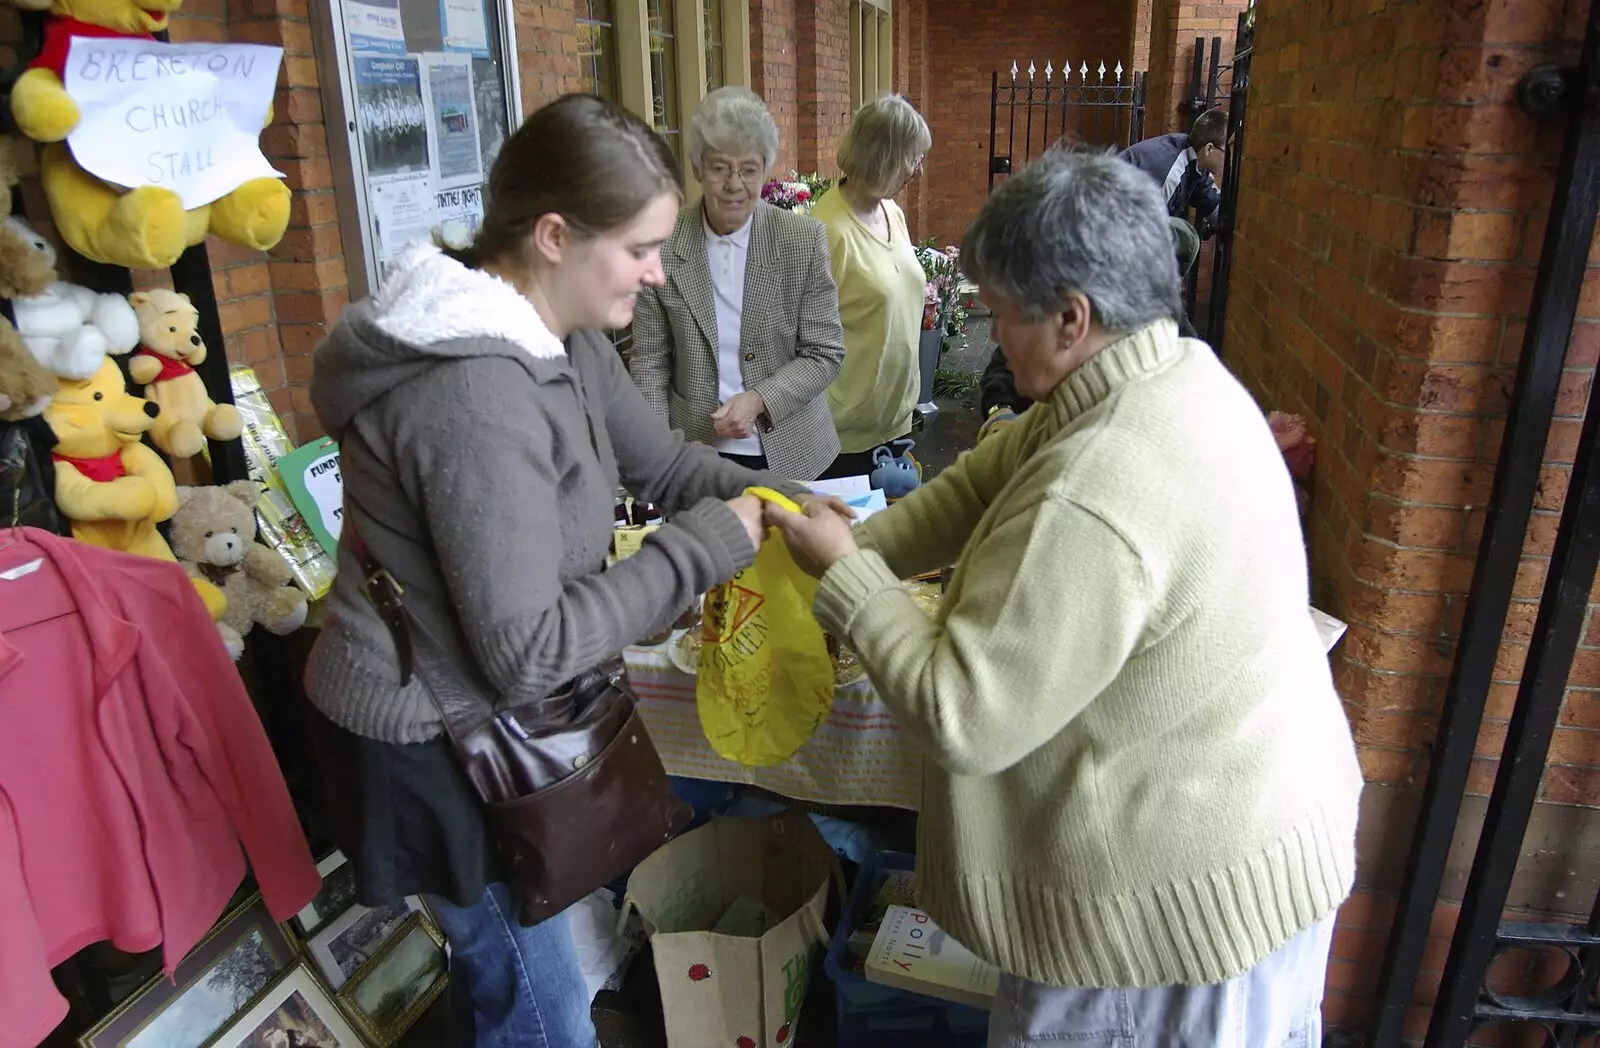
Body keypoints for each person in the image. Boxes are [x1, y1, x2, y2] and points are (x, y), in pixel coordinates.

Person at [764, 148, 1362, 1047]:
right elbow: (979, 484)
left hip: (1165, 919)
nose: (991, 332)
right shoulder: (1169, 373)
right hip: (1238, 836)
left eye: (1001, 313)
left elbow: (963, 712)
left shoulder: (1103, 481)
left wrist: (849, 580)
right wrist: (853, 544)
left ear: (1073, 319)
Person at [302, 94, 845, 1048]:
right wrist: (713, 543)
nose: (655, 271)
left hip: (489, 718)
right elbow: (528, 650)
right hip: (437, 739)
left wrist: (789, 503)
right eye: (639, 249)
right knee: (535, 997)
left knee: (532, 976)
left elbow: (669, 466)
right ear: (554, 235)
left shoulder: (564, 338)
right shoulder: (472, 393)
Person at [631, 86, 846, 480]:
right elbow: (650, 361)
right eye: (719, 168)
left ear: (764, 170)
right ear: (697, 169)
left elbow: (824, 352)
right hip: (694, 450)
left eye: (748, 169)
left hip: (793, 450)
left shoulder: (801, 241)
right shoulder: (661, 243)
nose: (734, 184)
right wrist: (658, 455)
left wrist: (760, 400)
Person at [809, 93, 931, 479]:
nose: (918, 170)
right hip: (845, 435)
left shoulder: (891, 211)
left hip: (894, 421)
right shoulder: (827, 229)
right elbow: (796, 337)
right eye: (913, 158)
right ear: (885, 157)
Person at [1119, 106, 1228, 234]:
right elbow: (1146, 235)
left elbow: (1216, 208)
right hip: (1107, 222)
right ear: (1208, 149)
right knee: (1186, 241)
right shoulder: (1170, 173)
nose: (1228, 159)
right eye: (1226, 151)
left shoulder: (1195, 163)